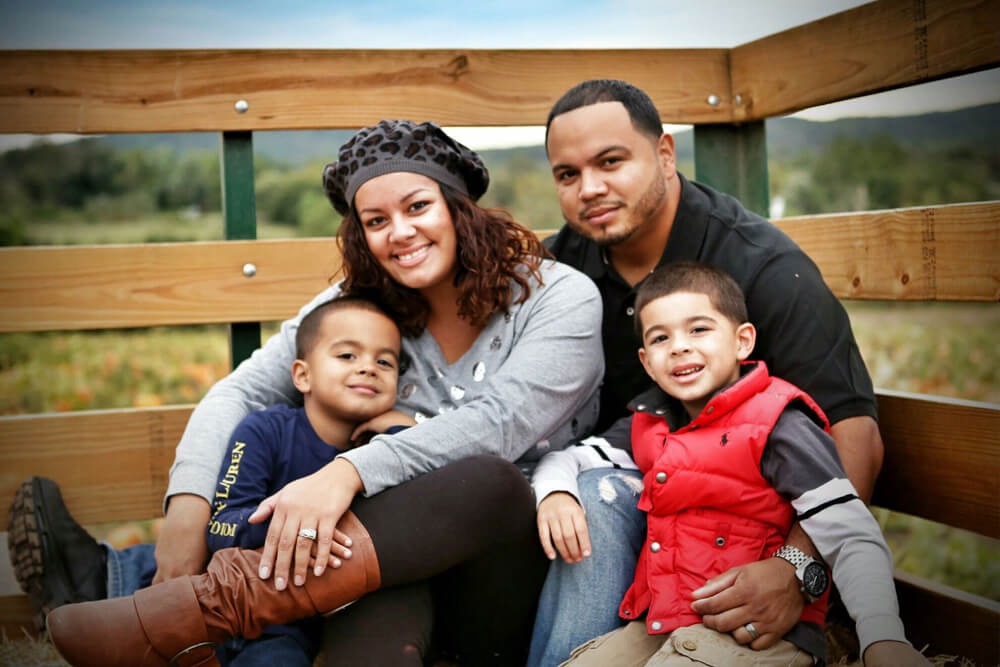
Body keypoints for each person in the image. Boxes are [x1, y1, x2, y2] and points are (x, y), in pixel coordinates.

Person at [11, 119, 604, 667]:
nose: (400, 233)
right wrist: (189, 505)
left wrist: (346, 471)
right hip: (364, 572)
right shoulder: (363, 300)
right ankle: (166, 608)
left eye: (418, 206)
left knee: (489, 480)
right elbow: (240, 391)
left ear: (458, 209)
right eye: (375, 221)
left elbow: (500, 423)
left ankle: (186, 607)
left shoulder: (558, 298)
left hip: (495, 575)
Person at [528, 79, 887, 666]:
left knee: (596, 496)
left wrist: (795, 570)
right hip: (637, 512)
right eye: (567, 174)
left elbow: (854, 437)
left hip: (755, 531)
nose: (589, 188)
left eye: (611, 161)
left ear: (665, 154)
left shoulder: (764, 267)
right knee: (586, 492)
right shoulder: (556, 271)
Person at [534, 261, 927, 667]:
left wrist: (882, 637)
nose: (680, 346)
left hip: (755, 638)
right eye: (660, 337)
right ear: (647, 363)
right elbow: (568, 459)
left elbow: (850, 532)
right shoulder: (648, 422)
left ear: (742, 341)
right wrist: (558, 492)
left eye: (699, 329)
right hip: (659, 627)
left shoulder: (777, 424)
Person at [208, 296, 411, 667]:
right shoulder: (264, 431)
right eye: (347, 356)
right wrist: (292, 525)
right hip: (236, 602)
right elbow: (221, 526)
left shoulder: (389, 450)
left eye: (385, 361)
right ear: (303, 375)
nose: (368, 368)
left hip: (311, 626)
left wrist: (403, 432)